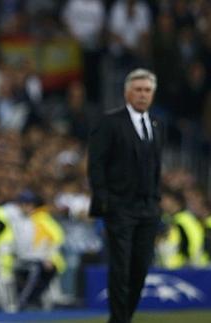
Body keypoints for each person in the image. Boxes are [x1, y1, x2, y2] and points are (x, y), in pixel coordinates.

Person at [88, 68, 163, 323]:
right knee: (121, 268)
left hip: (148, 208)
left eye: (147, 90)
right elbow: (96, 164)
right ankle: (121, 320)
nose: (143, 95)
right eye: (138, 89)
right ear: (126, 92)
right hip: (120, 207)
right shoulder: (110, 122)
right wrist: (105, 200)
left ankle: (122, 318)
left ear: (153, 94)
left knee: (140, 268)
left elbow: (155, 165)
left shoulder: (155, 124)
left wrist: (156, 200)